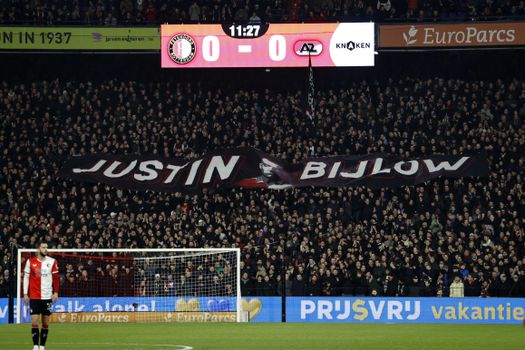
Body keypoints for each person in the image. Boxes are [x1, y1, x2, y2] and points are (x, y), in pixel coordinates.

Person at [23, 241, 59, 350]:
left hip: (47, 297)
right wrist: (25, 293)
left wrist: (56, 292)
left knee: (45, 322)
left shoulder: (52, 261)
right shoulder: (30, 262)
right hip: (34, 296)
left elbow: (56, 279)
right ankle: (35, 346)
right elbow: (26, 278)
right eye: (43, 247)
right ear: (38, 249)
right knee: (34, 321)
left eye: (46, 248)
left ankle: (42, 346)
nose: (46, 249)